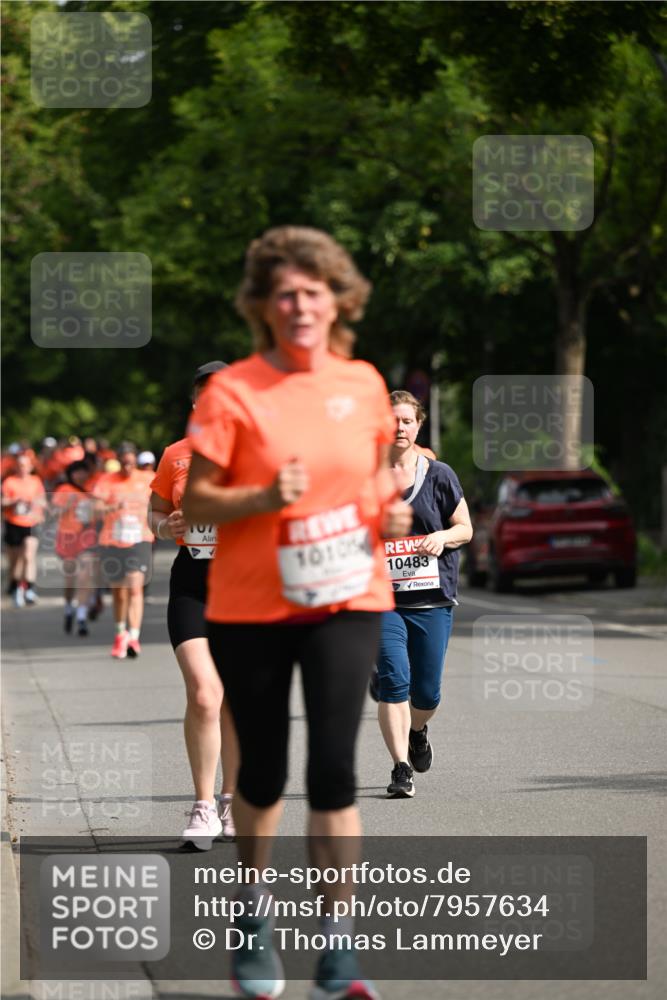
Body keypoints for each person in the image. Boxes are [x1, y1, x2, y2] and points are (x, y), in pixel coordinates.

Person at [183, 226, 411, 1000]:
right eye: (284, 293)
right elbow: (196, 499)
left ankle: (338, 949)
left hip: (349, 597)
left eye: (313, 292)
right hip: (250, 605)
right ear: (262, 306)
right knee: (268, 770)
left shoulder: (366, 384)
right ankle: (251, 915)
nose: (299, 305)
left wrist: (391, 515)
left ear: (336, 299)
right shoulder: (233, 391)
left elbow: (374, 479)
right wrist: (259, 497)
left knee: (336, 773)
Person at [149, 362, 239, 849]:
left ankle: (232, 800)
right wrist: (167, 528)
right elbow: (154, 514)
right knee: (205, 693)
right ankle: (203, 806)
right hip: (194, 582)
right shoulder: (176, 455)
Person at [377, 390, 472, 799]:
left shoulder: (440, 475)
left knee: (427, 692)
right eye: (392, 420)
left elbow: (465, 528)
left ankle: (418, 731)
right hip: (380, 600)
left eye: (407, 421)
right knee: (393, 680)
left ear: (418, 426)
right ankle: (400, 768)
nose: (399, 427)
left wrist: (441, 538)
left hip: (432, 598)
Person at [93, 442, 153, 658]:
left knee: (135, 587)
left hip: (140, 539)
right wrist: (112, 507)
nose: (128, 467)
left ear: (135, 461)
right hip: (112, 541)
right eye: (124, 463)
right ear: (118, 461)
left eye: (131, 462)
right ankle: (121, 633)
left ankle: (134, 638)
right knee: (119, 592)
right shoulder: (107, 481)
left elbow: (160, 502)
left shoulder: (147, 479)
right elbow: (95, 507)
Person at [52, 460, 98, 636]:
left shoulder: (93, 489)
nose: (80, 475)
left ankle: (81, 616)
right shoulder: (64, 490)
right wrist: (67, 505)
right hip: (68, 539)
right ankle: (69, 608)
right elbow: (53, 512)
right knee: (71, 580)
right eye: (76, 472)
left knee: (84, 576)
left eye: (83, 472)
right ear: (71, 474)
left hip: (87, 538)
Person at [2, 452, 46, 606]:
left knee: (28, 555)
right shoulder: (9, 482)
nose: (23, 468)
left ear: (31, 467)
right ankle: (15, 586)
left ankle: (29, 589)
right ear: (16, 467)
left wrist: (37, 506)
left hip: (31, 523)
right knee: (15, 562)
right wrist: (14, 501)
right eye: (20, 465)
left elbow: (43, 500)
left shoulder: (36, 481)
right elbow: (3, 501)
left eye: (26, 465)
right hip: (13, 523)